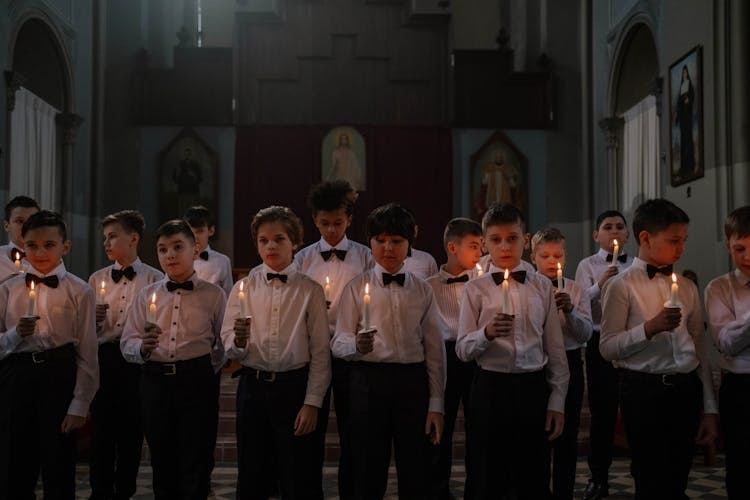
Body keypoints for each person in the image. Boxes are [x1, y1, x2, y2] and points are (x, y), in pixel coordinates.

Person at [600, 198, 718, 500]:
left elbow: (699, 348)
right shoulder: (621, 286)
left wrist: (709, 407)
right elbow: (608, 347)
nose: (681, 249)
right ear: (645, 238)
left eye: (684, 241)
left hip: (685, 388)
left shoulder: (688, 288)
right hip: (643, 391)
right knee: (650, 477)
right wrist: (648, 328)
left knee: (678, 475)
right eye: (674, 240)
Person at [331, 203, 446, 499]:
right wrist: (356, 345)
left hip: (412, 382)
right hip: (368, 381)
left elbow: (434, 349)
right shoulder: (356, 288)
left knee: (414, 467)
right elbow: (338, 340)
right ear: (370, 243)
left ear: (410, 244)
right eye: (380, 240)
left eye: (396, 241)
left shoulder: (423, 290)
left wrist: (436, 403)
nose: (388, 248)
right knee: (367, 468)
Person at [456, 202, 568, 500]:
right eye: (495, 240)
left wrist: (557, 400)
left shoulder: (542, 287)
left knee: (533, 473)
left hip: (532, 387)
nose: (504, 246)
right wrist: (486, 333)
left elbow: (555, 349)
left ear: (526, 239)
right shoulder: (475, 289)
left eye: (512, 238)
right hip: (490, 388)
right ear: (484, 244)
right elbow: (463, 349)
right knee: (487, 474)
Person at [223, 206, 330, 499]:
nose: (270, 246)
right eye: (263, 240)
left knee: (298, 476)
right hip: (253, 388)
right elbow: (228, 345)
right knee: (252, 474)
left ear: (294, 242)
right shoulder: (243, 288)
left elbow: (321, 353)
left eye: (279, 239)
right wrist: (239, 342)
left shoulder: (310, 290)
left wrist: (312, 402)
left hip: (294, 389)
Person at [121, 219, 226, 499]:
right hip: (155, 380)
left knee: (197, 454)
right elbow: (127, 340)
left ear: (195, 250)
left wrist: (203, 367)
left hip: (197, 379)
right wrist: (142, 348)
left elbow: (223, 342)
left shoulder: (214, 295)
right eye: (163, 249)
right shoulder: (147, 295)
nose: (170, 255)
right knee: (161, 453)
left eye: (178, 247)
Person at [0, 210, 99, 499]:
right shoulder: (7, 290)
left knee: (59, 465)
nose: (40, 252)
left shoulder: (80, 290)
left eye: (49, 245)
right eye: (32, 245)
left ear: (65, 246)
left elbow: (87, 351)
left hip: (59, 376)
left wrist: (80, 403)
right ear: (22, 246)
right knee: (13, 465)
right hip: (16, 377)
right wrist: (16, 334)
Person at [293, 180, 372, 499]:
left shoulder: (366, 256)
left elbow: (372, 298)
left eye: (338, 223)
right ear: (314, 220)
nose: (331, 230)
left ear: (350, 219)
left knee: (354, 430)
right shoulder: (303, 259)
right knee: (309, 431)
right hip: (313, 354)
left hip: (352, 354)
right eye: (324, 223)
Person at [87, 210, 163, 500]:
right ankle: (100, 491)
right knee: (102, 432)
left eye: (113, 236)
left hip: (136, 363)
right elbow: (87, 332)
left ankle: (125, 490)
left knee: (131, 431)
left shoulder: (155, 279)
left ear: (133, 238)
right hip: (105, 359)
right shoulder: (95, 280)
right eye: (104, 238)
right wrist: (93, 320)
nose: (106, 243)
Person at [530, 227, 592, 500]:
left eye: (558, 255)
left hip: (570, 360)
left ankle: (564, 491)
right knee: (537, 435)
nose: (552, 261)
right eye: (545, 255)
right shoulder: (526, 287)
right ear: (533, 257)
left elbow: (586, 334)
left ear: (565, 257)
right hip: (536, 364)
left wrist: (570, 311)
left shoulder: (576, 289)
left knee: (567, 433)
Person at [574, 209, 632, 500]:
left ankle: (643, 474)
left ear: (628, 234)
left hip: (632, 340)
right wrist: (601, 284)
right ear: (596, 235)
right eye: (607, 227)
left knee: (636, 409)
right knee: (602, 412)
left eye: (620, 227)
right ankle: (598, 477)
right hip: (598, 340)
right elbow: (580, 300)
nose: (614, 232)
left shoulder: (635, 265)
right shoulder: (587, 265)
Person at [425, 217, 483, 500]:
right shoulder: (427, 287)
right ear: (452, 247)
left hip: (476, 356)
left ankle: (478, 489)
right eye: (474, 246)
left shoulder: (486, 284)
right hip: (443, 357)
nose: (480, 253)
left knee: (479, 429)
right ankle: (438, 491)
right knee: (440, 430)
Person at [704, 205, 750, 499]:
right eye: (740, 248)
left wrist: (740, 326)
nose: (748, 257)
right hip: (741, 387)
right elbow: (727, 342)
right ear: (728, 244)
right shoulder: (719, 288)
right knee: (742, 466)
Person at [185, 205, 233, 296]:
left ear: (211, 231)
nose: (195, 237)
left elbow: (228, 296)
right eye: (191, 232)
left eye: (200, 231)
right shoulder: (182, 259)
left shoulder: (223, 261)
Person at [0, 195, 39, 282]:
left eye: (32, 221)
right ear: (6, 226)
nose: (27, 227)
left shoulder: (51, 258)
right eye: (20, 221)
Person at [675, 65, 695, 179]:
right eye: (683, 73)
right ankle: (683, 166)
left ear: (687, 73)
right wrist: (678, 115)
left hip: (687, 115)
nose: (684, 74)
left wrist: (689, 100)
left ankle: (690, 164)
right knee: (683, 140)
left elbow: (691, 96)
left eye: (685, 72)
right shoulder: (682, 86)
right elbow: (679, 103)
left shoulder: (689, 85)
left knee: (688, 138)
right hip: (683, 116)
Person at [174, 147, 203, 214]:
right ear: (184, 155)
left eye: (189, 154)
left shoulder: (196, 164)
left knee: (193, 211)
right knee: (182, 210)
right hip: (182, 191)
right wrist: (177, 173)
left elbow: (200, 178)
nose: (187, 156)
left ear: (191, 155)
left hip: (193, 191)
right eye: (186, 154)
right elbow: (175, 178)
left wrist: (194, 175)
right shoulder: (180, 164)